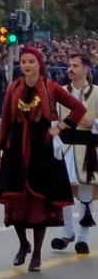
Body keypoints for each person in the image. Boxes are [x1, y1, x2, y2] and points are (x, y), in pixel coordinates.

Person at [0, 45, 89, 271]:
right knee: (15, 198)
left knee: (39, 202)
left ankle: (36, 254)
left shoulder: (50, 87)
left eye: (31, 62)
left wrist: (60, 128)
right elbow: (6, 120)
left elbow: (77, 109)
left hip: (41, 148)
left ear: (39, 65)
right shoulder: (13, 88)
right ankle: (23, 244)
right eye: (23, 61)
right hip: (16, 147)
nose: (26, 65)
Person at [53, 53, 98, 255]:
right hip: (66, 147)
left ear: (86, 68)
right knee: (64, 192)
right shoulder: (61, 93)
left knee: (85, 193)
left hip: (88, 148)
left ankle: (82, 238)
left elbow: (92, 123)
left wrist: (91, 123)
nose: (70, 69)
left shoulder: (96, 93)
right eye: (69, 65)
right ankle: (67, 232)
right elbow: (54, 121)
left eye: (75, 65)